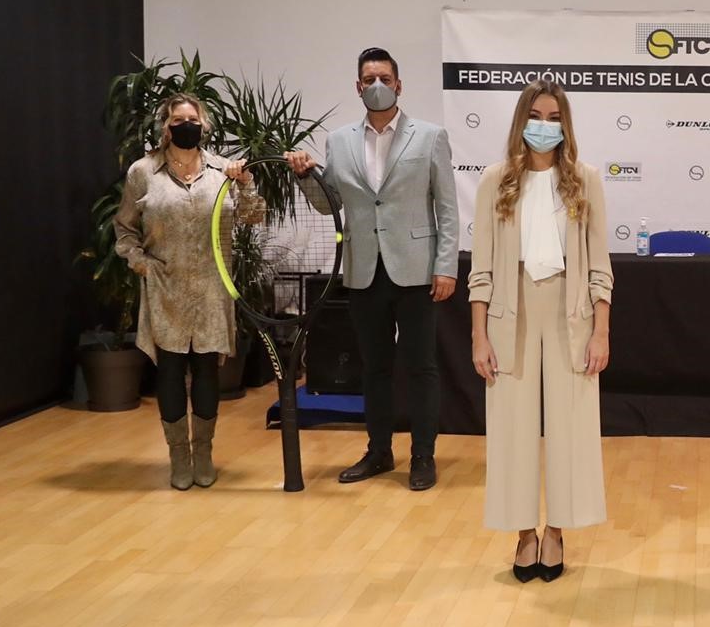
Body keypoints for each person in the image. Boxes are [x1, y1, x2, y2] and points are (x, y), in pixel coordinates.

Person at [286, 47, 459, 490]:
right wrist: (305, 176)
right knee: (374, 367)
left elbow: (447, 207)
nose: (377, 85)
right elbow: (329, 205)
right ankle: (379, 451)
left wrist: (446, 267)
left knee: (421, 367)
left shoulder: (430, 136)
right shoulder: (339, 141)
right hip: (364, 270)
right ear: (358, 87)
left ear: (399, 85)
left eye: (384, 78)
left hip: (417, 270)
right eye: (369, 79)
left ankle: (423, 455)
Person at [468, 80, 613, 583]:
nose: (544, 127)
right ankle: (524, 533)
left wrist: (601, 331)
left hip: (571, 313)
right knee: (512, 427)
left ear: (565, 125)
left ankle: (556, 531)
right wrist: (479, 335)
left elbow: (600, 265)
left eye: (554, 118)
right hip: (511, 313)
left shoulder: (585, 181)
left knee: (572, 425)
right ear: (520, 121)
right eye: (536, 116)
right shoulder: (495, 181)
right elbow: (481, 269)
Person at [115, 93, 259, 490]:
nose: (186, 125)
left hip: (213, 288)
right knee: (171, 370)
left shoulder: (222, 171)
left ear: (204, 124)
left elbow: (252, 217)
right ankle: (179, 456)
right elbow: (124, 229)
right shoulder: (143, 172)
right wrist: (141, 264)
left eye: (192, 119)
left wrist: (246, 184)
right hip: (166, 289)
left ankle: (204, 453)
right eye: (177, 120)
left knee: (207, 371)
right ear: (166, 126)